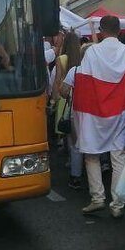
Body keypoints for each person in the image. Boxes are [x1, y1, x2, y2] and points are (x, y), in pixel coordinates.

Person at [66, 15, 125, 218]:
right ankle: (117, 204)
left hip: (95, 113)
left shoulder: (92, 52)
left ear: (102, 30)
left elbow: (85, 82)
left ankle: (97, 198)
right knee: (118, 157)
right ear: (119, 30)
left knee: (92, 155)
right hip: (121, 111)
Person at [52, 31, 84, 190]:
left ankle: (74, 171)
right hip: (86, 103)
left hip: (68, 101)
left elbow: (58, 82)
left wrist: (54, 97)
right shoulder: (82, 59)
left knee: (72, 140)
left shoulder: (61, 59)